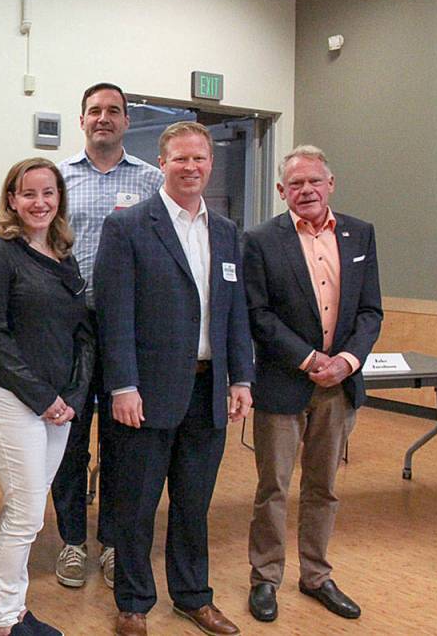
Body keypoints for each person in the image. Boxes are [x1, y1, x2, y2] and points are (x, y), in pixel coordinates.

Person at [94, 121, 254, 636]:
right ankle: (135, 601)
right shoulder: (129, 226)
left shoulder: (227, 232)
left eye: (199, 159)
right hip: (145, 392)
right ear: (161, 164)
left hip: (208, 391)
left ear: (210, 164)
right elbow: (114, 314)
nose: (190, 167)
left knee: (193, 504)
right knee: (136, 504)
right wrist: (122, 386)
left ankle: (192, 596)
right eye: (180, 159)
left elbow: (235, 314)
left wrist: (241, 378)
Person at [243, 145, 382, 623]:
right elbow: (257, 313)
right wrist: (306, 358)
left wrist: (345, 361)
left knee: (324, 487)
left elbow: (370, 311)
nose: (306, 191)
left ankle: (316, 575)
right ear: (281, 191)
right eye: (295, 184)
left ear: (330, 184)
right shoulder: (260, 240)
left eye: (314, 182)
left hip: (339, 387)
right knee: (273, 488)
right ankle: (265, 578)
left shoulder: (360, 234)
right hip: (283, 383)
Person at [0, 158, 93, 636]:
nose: (39, 203)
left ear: (59, 198)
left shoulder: (66, 255)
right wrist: (43, 398)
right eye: (29, 194)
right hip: (9, 399)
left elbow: (83, 333)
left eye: (48, 193)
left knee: (31, 513)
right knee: (23, 513)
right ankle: (2, 622)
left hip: (59, 408)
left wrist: (73, 398)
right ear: (12, 200)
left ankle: (15, 609)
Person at [53, 82, 162, 590]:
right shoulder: (58, 180)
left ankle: (116, 543)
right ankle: (73, 541)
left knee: (124, 444)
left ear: (125, 121)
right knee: (69, 441)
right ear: (81, 121)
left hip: (130, 334)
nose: (103, 118)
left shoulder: (152, 181)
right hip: (70, 331)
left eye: (113, 111)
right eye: (94, 111)